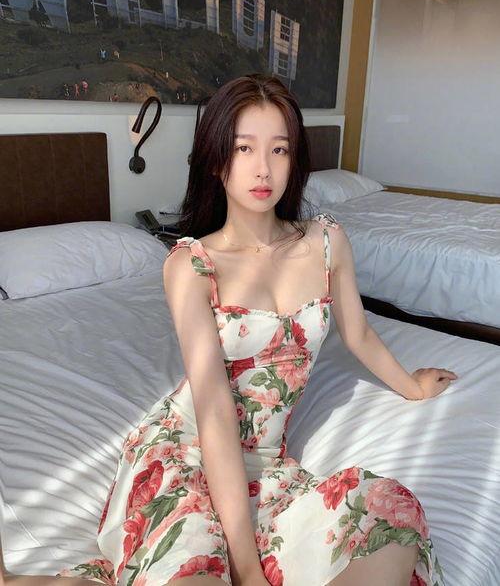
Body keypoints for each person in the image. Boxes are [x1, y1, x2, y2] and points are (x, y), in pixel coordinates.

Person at [1, 74, 456, 586]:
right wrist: (247, 569)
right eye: (244, 148)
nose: (263, 168)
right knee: (199, 574)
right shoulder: (192, 266)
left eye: (279, 149)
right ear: (218, 160)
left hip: (266, 463)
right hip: (188, 450)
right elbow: (215, 410)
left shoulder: (328, 241)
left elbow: (359, 334)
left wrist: (413, 386)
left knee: (391, 516)